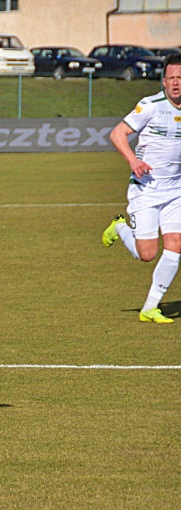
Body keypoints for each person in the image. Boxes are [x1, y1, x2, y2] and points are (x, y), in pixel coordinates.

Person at [102, 53, 181, 324]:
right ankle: (120, 227)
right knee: (146, 254)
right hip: (146, 189)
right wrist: (133, 160)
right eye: (171, 78)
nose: (175, 83)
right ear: (163, 81)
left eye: (180, 78)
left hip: (176, 191)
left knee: (175, 245)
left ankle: (150, 307)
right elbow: (117, 134)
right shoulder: (150, 105)